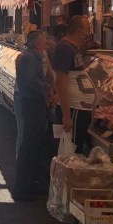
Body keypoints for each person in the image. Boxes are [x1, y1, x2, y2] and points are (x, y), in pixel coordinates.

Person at [13, 31, 55, 201]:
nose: (46, 44)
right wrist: (47, 87)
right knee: (29, 145)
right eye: (44, 41)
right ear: (38, 44)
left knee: (34, 145)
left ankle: (29, 184)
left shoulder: (34, 57)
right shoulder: (30, 58)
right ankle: (22, 188)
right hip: (32, 104)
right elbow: (31, 81)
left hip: (34, 104)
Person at [52, 15, 90, 151]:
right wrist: (66, 116)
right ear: (79, 31)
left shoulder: (72, 48)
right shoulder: (64, 48)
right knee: (69, 152)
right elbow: (61, 82)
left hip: (79, 110)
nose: (89, 34)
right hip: (73, 110)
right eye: (87, 30)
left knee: (76, 149)